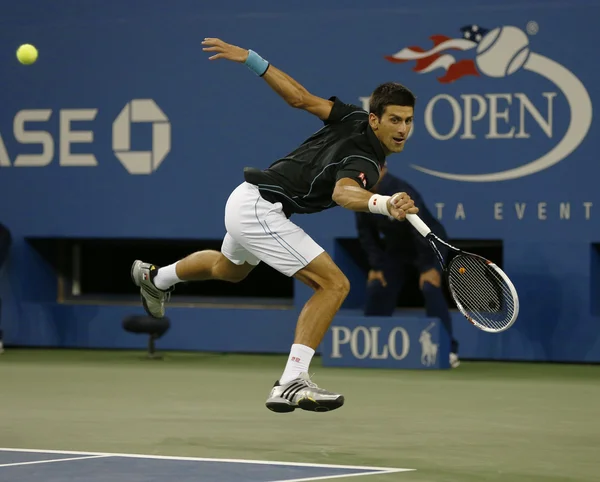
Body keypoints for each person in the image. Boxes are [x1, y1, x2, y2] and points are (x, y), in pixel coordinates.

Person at [131, 38, 420, 413]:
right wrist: (383, 203)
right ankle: (291, 381)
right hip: (260, 208)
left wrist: (252, 60)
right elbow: (343, 193)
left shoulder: (349, 118)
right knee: (334, 284)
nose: (402, 129)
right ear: (375, 119)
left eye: (409, 121)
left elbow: (299, 98)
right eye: (394, 120)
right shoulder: (365, 158)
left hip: (247, 198)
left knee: (228, 269)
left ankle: (156, 279)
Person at [355, 165, 460, 367]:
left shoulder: (401, 191)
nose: (366, 173)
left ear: (383, 169)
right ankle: (373, 348)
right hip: (397, 250)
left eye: (373, 168)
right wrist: (376, 266)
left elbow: (420, 229)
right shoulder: (362, 193)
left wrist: (428, 266)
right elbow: (366, 234)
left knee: (430, 288)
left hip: (428, 244)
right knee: (379, 285)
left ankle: (448, 350)